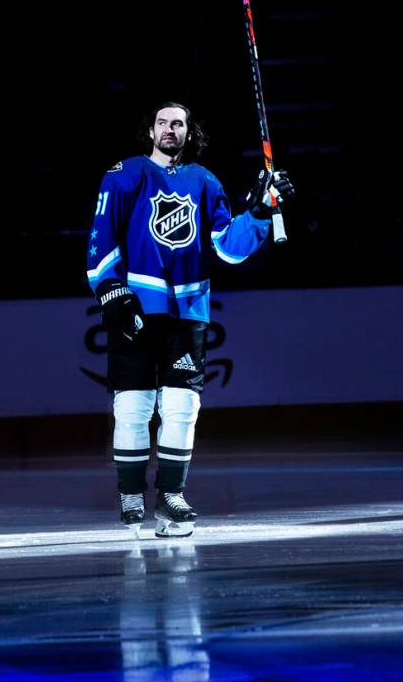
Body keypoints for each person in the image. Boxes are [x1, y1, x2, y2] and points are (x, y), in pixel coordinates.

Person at [87, 102, 294, 537]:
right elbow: (101, 236)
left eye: (177, 123)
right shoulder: (124, 174)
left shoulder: (206, 181)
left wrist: (258, 212)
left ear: (187, 132)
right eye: (162, 121)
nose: (169, 129)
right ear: (150, 130)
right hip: (137, 307)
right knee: (133, 406)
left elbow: (228, 248)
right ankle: (130, 495)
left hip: (188, 309)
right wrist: (111, 291)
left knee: (182, 407)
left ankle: (171, 496)